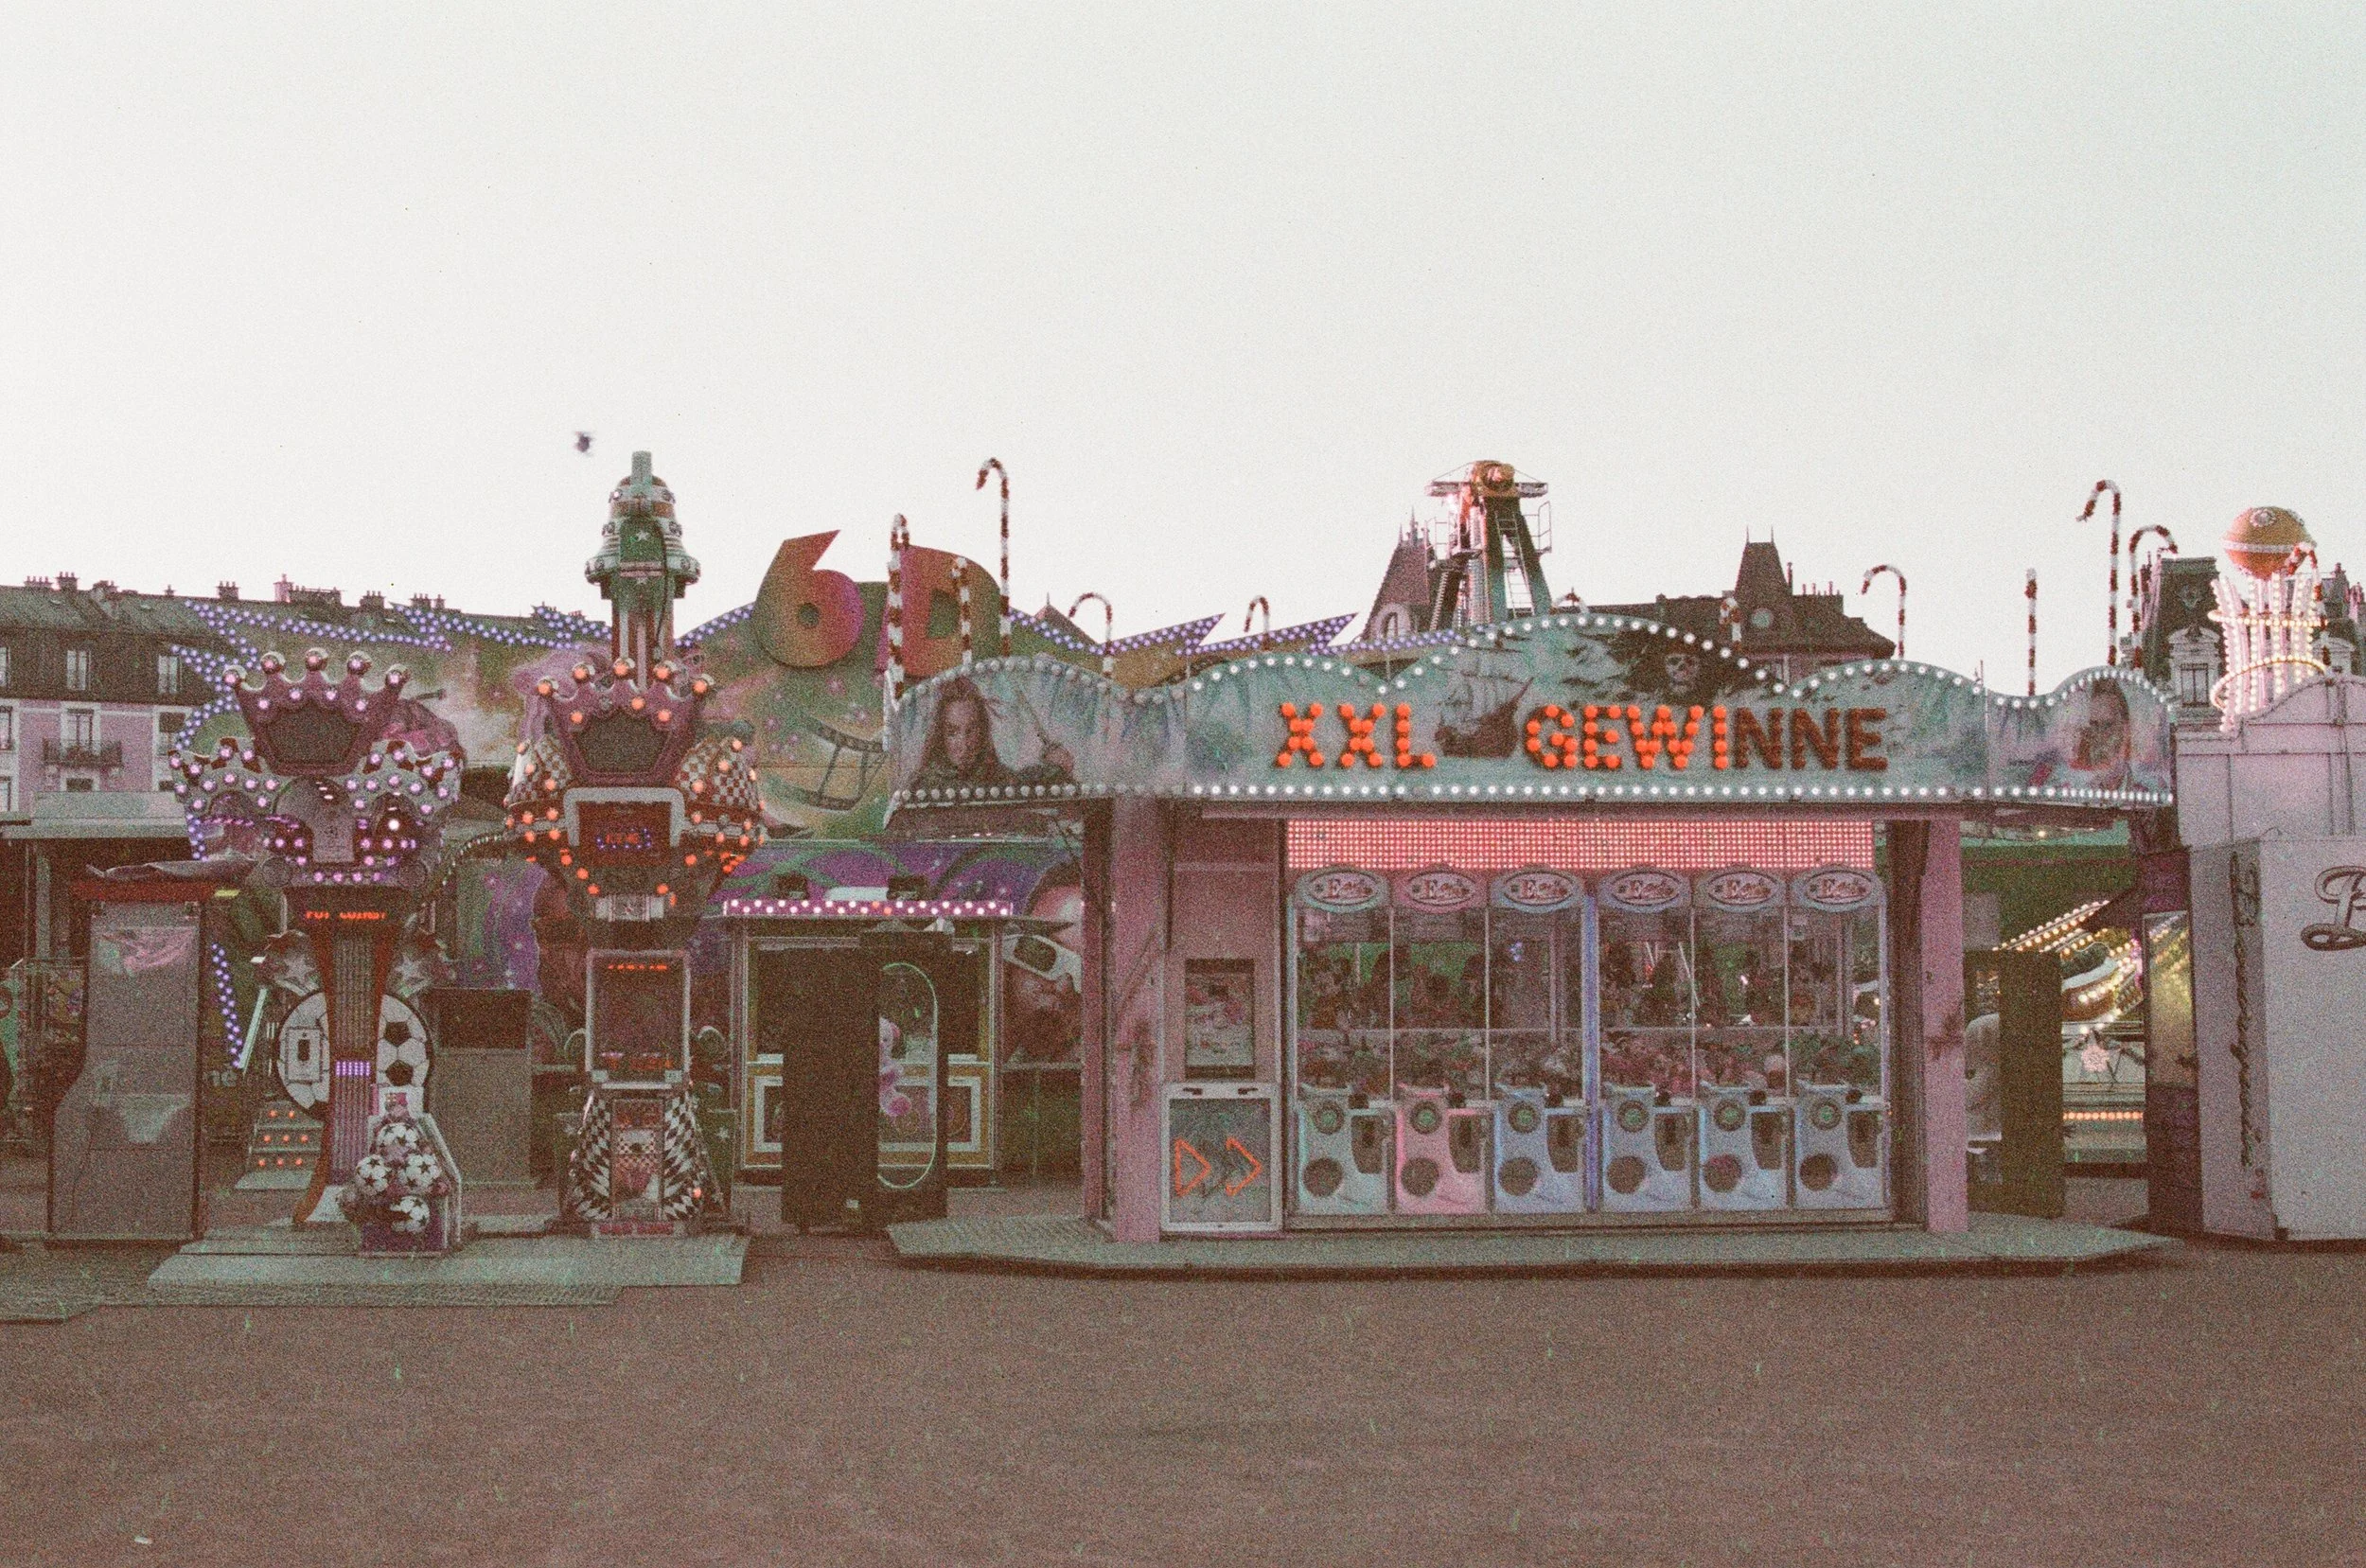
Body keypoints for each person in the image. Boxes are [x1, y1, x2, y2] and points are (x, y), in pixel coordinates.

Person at [912, 678, 1073, 789]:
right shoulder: (924, 783)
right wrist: (1053, 769)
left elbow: (1016, 782)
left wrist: (1054, 768)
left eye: (971, 731)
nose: (964, 744)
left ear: (982, 731)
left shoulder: (992, 772)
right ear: (940, 736)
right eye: (952, 733)